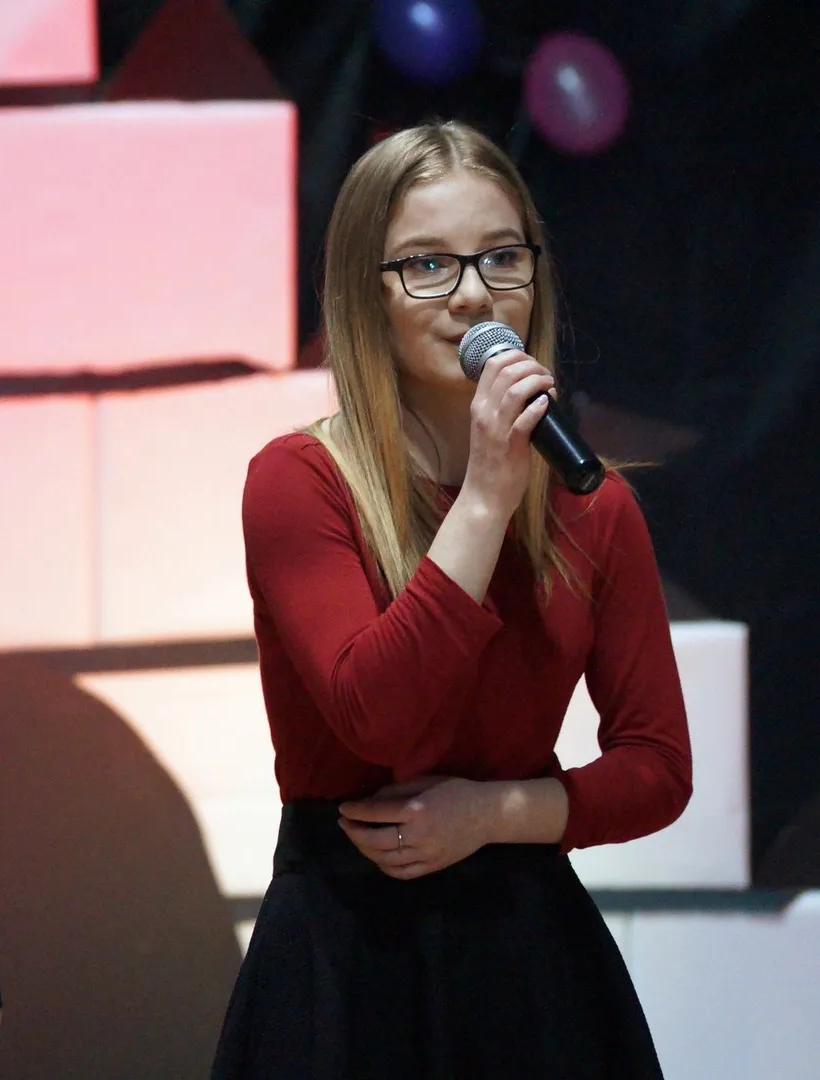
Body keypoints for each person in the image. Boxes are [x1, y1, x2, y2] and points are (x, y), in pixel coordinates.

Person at [211, 121, 692, 1079]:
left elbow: (658, 766)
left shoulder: (594, 505)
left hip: (528, 954)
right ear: (368, 293)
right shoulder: (300, 481)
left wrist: (495, 814)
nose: (474, 293)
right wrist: (483, 500)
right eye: (428, 264)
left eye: (501, 257)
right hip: (345, 950)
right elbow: (376, 715)